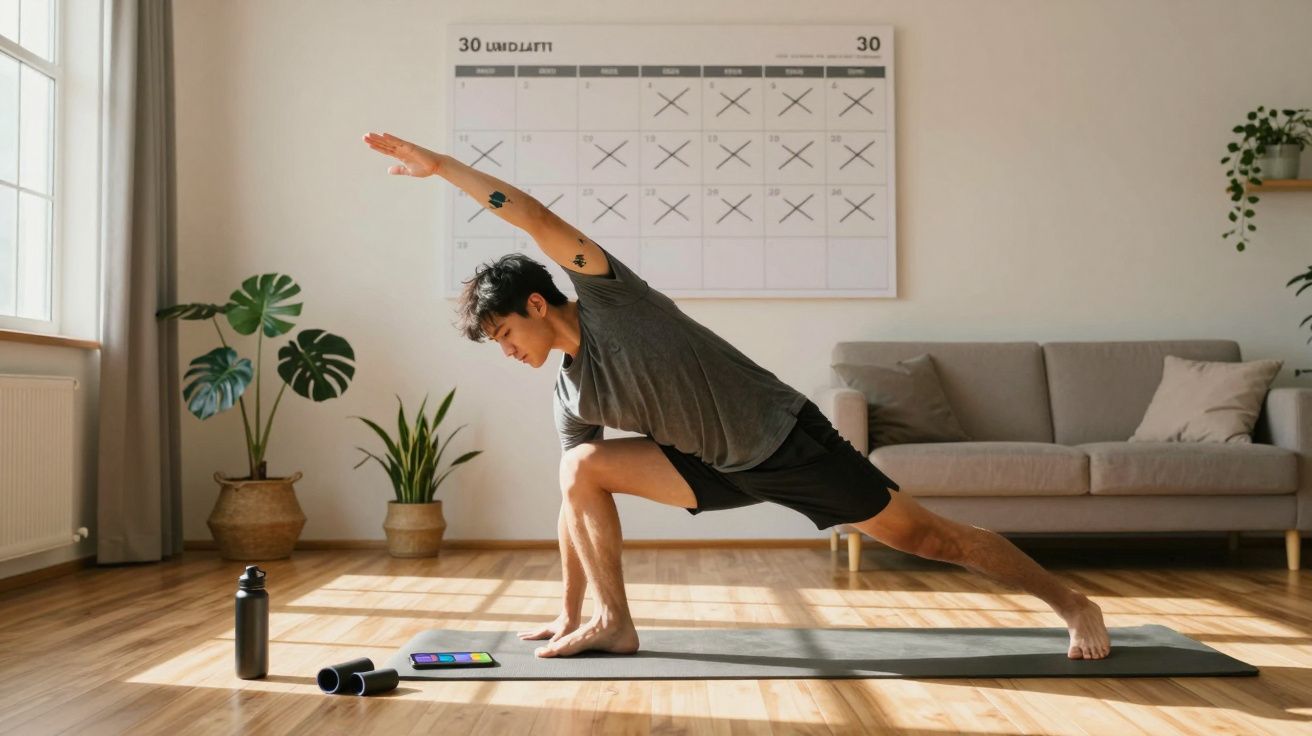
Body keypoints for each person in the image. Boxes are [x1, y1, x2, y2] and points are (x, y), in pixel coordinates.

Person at [362, 131, 1112, 661]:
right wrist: (566, 609)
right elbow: (573, 506)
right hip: (708, 464)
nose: (507, 352)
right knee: (581, 467)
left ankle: (1070, 603)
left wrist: (443, 167)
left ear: (533, 303)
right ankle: (613, 622)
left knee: (930, 540)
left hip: (784, 439)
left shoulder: (610, 299)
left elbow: (530, 215)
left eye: (502, 335)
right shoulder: (570, 388)